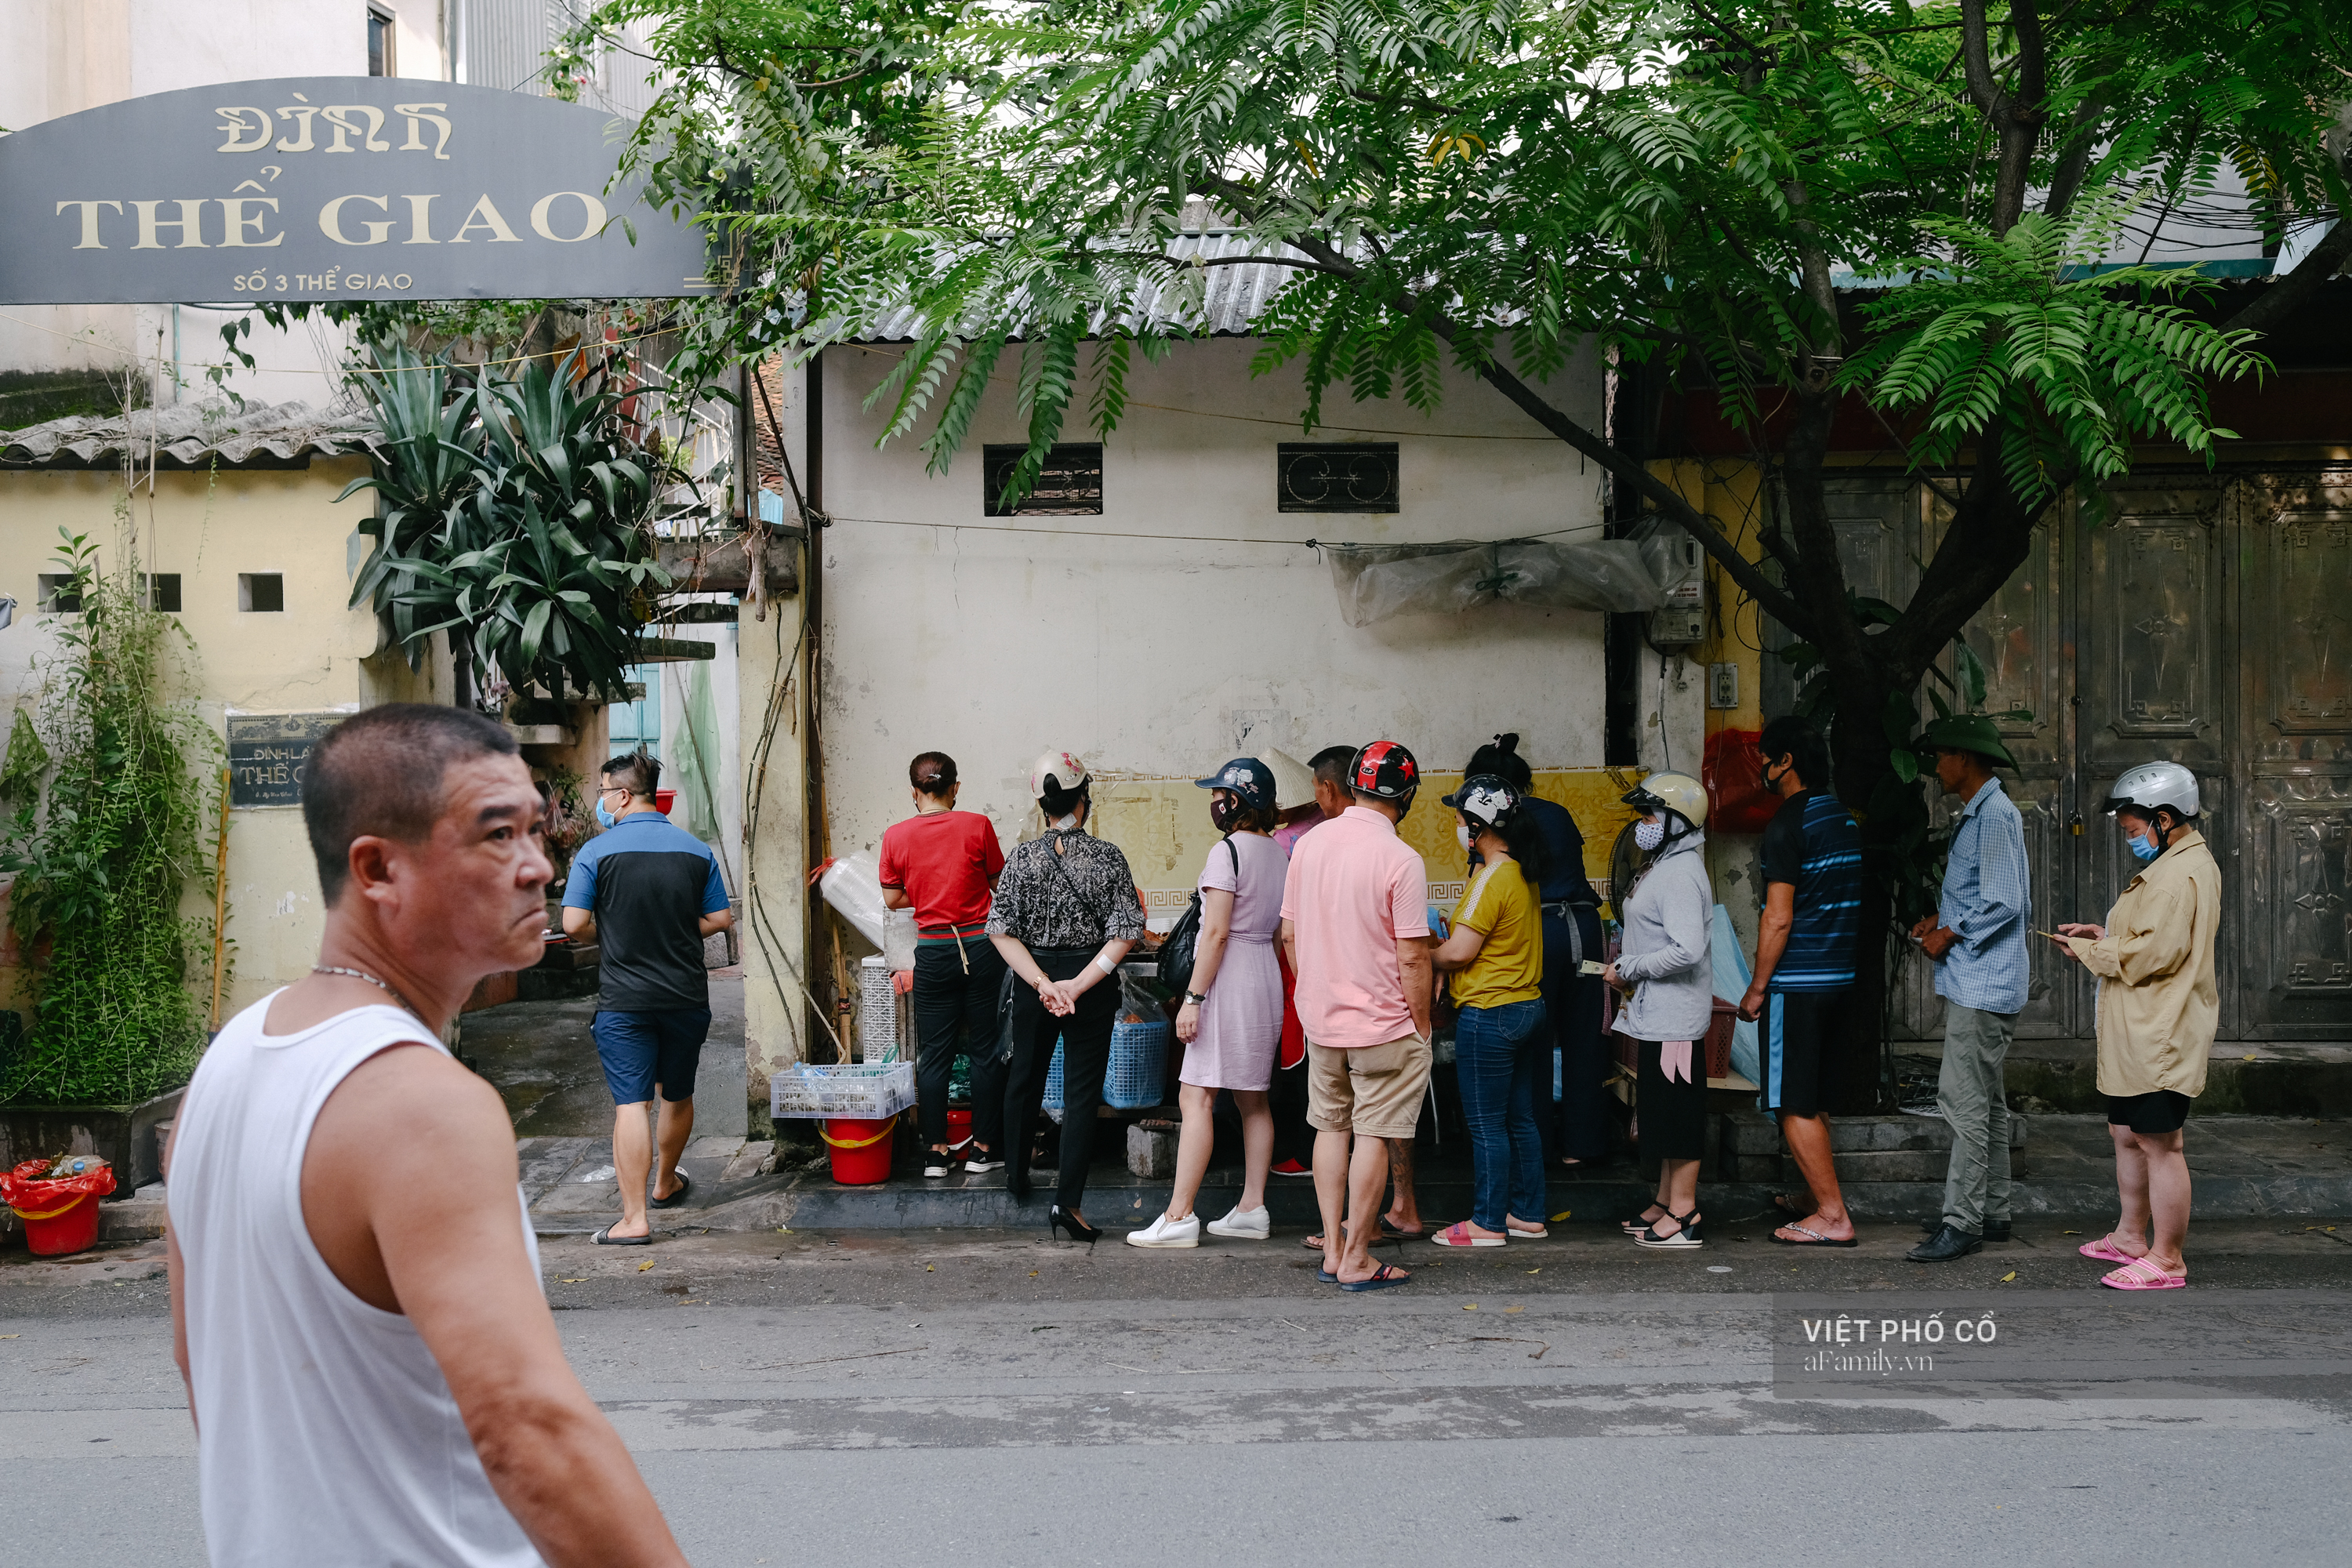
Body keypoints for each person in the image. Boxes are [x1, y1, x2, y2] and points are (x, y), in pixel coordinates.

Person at [167, 704, 684, 1566]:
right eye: (496, 834)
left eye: (538, 830)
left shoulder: (229, 1059)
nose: (539, 868)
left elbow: (204, 1373)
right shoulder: (421, 1099)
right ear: (376, 866)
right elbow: (527, 1428)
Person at [2053, 761, 2220, 1290]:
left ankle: (2167, 1259)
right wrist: (2104, 934)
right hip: (2140, 1028)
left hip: (2162, 1031)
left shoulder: (2178, 874)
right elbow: (2151, 936)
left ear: (2164, 818)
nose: (2131, 840)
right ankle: (2130, 1236)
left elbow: (2155, 953)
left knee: (2159, 1142)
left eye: (2133, 830)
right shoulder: (2172, 864)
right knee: (2126, 1132)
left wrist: (2091, 950)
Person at [561, 752, 735, 1245]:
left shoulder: (597, 853)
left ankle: (634, 1219)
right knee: (677, 1094)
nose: (600, 800)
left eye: (602, 791)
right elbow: (721, 920)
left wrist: (616, 930)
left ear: (621, 795)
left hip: (624, 1001)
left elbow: (573, 925)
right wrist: (674, 928)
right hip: (685, 997)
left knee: (631, 1105)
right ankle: (665, 1181)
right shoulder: (695, 850)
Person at [1281, 740, 1433, 1292]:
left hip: (1321, 1019)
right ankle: (1359, 1258)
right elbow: (1413, 954)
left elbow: (1290, 933)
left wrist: (1311, 990)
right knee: (1373, 1130)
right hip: (1384, 1024)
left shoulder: (1309, 845)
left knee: (1329, 1126)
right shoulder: (1402, 860)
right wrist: (1421, 1022)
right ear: (1407, 796)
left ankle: (1333, 1249)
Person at [1129, 758, 1285, 1247]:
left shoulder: (1227, 853)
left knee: (1195, 1095)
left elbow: (1215, 932)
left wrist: (1193, 998)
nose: (1214, 803)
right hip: (1264, 974)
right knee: (1254, 1099)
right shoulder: (1281, 854)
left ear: (1237, 801)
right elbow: (1281, 935)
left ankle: (1179, 1217)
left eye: (1219, 795)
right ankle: (1252, 1208)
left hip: (1228, 975)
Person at [991, 750, 1145, 1243]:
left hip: (1034, 979)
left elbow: (1000, 933)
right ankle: (1068, 1203)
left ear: (1042, 806)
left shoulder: (1021, 858)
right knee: (1081, 1094)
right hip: (1090, 987)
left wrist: (1042, 984)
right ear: (1085, 801)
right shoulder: (1108, 857)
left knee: (1024, 1079)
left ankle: (1015, 1179)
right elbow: (1125, 933)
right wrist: (1076, 986)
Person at [1734, 718, 1865, 1249]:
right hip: (1839, 978)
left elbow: (1778, 918)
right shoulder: (1841, 817)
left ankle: (1833, 1216)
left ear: (1784, 761)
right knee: (1813, 1096)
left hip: (1799, 981)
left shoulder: (1789, 824)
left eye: (1766, 757)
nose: (1761, 768)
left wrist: (1757, 987)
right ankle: (1816, 1199)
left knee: (1792, 1101)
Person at [1906, 715, 2031, 1262]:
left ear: (1966, 759)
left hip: (1983, 983)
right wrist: (1941, 917)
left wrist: (1950, 932)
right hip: (1979, 980)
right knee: (1990, 1103)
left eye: (1943, 756)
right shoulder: (1979, 815)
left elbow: (2006, 901)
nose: (1936, 766)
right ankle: (1994, 1213)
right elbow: (1984, 891)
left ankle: (1963, 1223)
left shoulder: (1994, 816)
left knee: (1964, 1104)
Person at [1465, 733, 1608, 1169]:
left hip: (1542, 933)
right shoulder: (1558, 814)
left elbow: (1488, 890)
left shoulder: (1498, 827)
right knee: (1585, 1037)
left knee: (1536, 1041)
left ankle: (1539, 1146)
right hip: (1584, 930)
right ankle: (1584, 1146)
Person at [1428, 775, 1549, 1247]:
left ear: (1478, 826)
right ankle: (1526, 1213)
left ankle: (1487, 1222)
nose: (1457, 825)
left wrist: (1422, 956)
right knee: (1519, 1119)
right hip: (1525, 1007)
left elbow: (1460, 952)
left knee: (1484, 1123)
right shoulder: (1518, 870)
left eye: (1460, 818)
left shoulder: (1491, 876)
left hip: (1491, 1011)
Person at [880, 750, 1011, 1178]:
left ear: (915, 793)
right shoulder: (978, 826)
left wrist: (930, 889)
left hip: (934, 951)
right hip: (981, 948)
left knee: (934, 1054)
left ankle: (936, 1153)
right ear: (955, 789)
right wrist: (961, 888)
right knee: (985, 1051)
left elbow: (893, 898)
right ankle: (985, 1149)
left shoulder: (895, 836)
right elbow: (999, 887)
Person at [1607, 771, 1715, 1249]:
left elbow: (1687, 950)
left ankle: (1685, 1212)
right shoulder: (1665, 864)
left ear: (1676, 820)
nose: (1643, 825)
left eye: (1649, 815)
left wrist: (1630, 967)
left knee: (1679, 1116)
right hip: (1659, 1014)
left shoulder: (1679, 873)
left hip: (1676, 1018)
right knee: (1663, 1114)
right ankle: (1666, 1199)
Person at [1268, 744, 1356, 1178]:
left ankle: (1304, 1153)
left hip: (1300, 960)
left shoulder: (1288, 841)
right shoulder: (1346, 828)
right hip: (1348, 961)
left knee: (1304, 1061)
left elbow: (1285, 923)